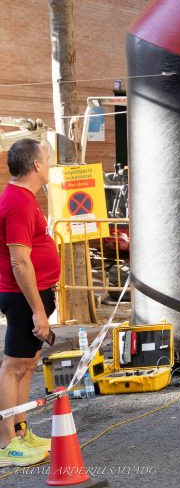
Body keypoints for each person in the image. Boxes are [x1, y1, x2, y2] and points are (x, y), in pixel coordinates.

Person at [0, 139, 59, 467]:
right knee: (13, 367)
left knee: (27, 364)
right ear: (36, 165)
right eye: (46, 159)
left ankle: (21, 432)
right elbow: (19, 262)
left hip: (33, 295)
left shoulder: (24, 198)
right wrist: (38, 311)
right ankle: (6, 443)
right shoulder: (18, 202)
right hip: (24, 298)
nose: (49, 164)